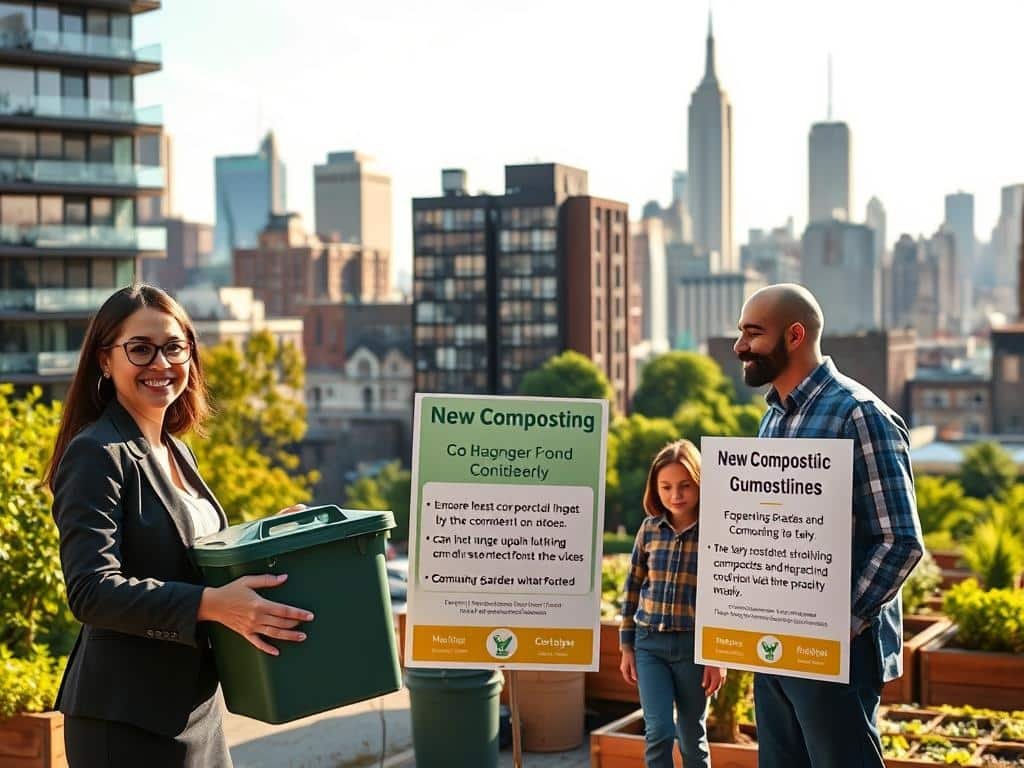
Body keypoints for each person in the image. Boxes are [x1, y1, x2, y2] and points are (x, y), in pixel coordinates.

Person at [45, 284, 312, 767]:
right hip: (125, 719)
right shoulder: (95, 453)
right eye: (140, 349)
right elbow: (91, 590)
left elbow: (190, 556)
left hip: (196, 709)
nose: (161, 363)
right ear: (106, 360)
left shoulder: (175, 449)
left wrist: (270, 536)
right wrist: (211, 605)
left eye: (174, 347)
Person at [733, 284, 924, 768]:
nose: (740, 346)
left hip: (838, 651)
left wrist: (836, 625)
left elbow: (899, 541)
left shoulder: (860, 414)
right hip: (773, 644)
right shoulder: (772, 418)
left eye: (753, 333)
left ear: (794, 336)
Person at [618, 439, 727, 768]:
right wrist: (626, 647)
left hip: (695, 649)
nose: (675, 495)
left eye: (684, 486)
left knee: (692, 735)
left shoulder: (717, 532)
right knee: (659, 731)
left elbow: (726, 595)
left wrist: (717, 655)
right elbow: (632, 588)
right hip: (649, 645)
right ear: (655, 488)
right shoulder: (649, 530)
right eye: (666, 487)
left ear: (700, 484)